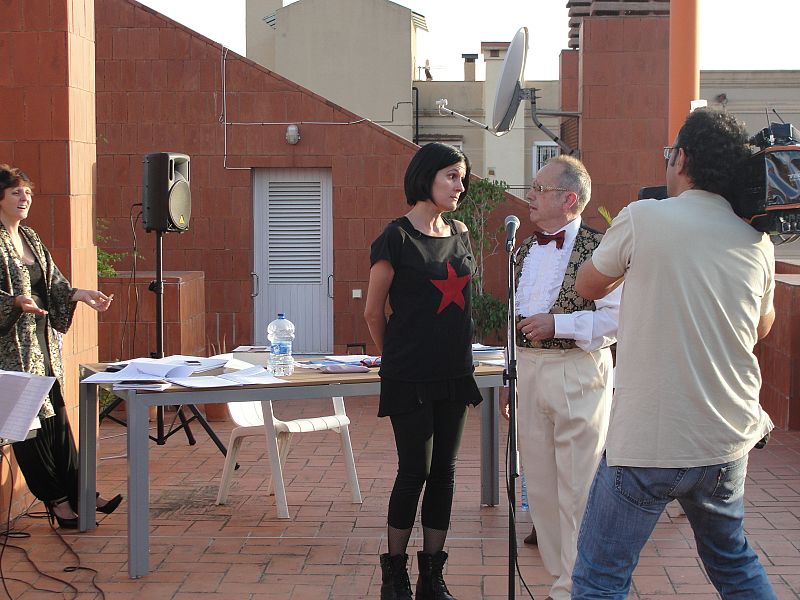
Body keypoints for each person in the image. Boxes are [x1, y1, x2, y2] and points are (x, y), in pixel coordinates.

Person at [572, 108, 777, 599]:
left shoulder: (645, 217)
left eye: (670, 155)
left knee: (600, 577)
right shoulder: (756, 240)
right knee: (733, 564)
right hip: (726, 442)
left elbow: (586, 284)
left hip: (650, 443)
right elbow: (761, 327)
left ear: (681, 159)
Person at [500, 155, 620, 600]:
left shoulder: (602, 247)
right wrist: (511, 377)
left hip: (577, 371)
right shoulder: (524, 248)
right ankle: (561, 578)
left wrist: (559, 324)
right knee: (540, 484)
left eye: (539, 188)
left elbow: (617, 320)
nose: (530, 195)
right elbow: (513, 316)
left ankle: (580, 583)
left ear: (569, 199)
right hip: (529, 371)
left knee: (579, 482)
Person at [365, 143, 481, 600]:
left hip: (454, 372)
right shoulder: (394, 237)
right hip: (409, 375)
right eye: (452, 175)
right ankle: (395, 576)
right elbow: (374, 312)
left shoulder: (462, 232)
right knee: (415, 470)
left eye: (463, 177)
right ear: (426, 177)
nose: (460, 185)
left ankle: (432, 578)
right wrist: (395, 359)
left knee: (445, 474)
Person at [0, 164, 123, 529]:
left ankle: (82, 492)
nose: (25, 199)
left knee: (57, 421)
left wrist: (80, 294)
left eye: (29, 193)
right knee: (30, 427)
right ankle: (57, 501)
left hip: (41, 344)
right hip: (11, 348)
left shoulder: (31, 238)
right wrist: (14, 302)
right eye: (16, 193)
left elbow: (53, 284)